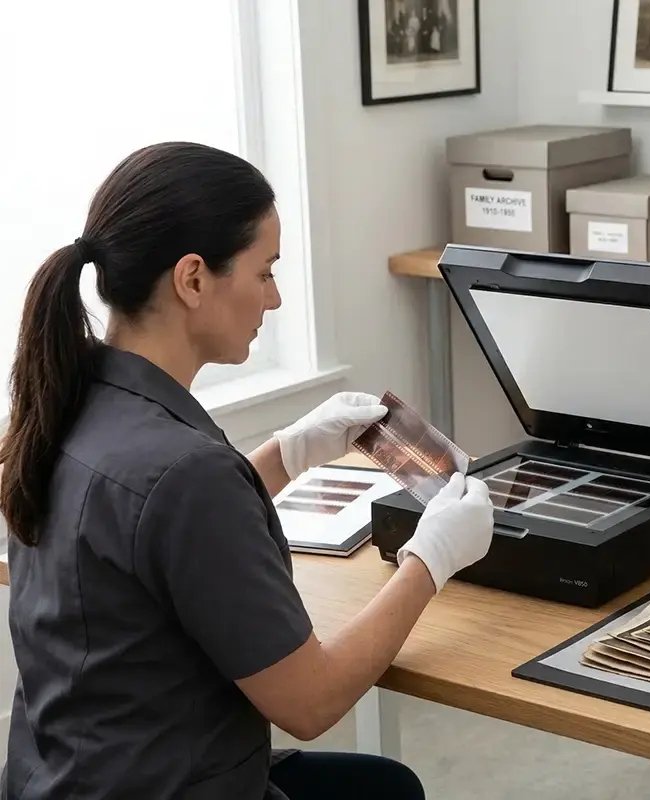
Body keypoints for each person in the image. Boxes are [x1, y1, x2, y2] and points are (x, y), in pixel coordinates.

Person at [0, 141, 496, 800]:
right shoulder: (184, 473)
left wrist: (283, 454)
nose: (276, 299)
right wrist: (430, 559)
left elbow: (152, 537)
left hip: (66, 777)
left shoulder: (66, 406)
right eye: (265, 273)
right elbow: (311, 703)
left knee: (380, 788)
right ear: (193, 279)